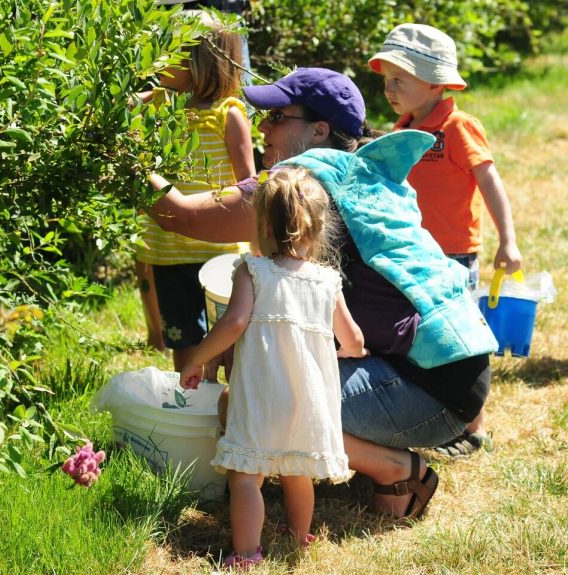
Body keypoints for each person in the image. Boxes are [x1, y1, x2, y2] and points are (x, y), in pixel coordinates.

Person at [145, 68, 497, 524]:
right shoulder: (365, 171)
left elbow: (182, 218)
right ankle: (368, 455)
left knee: (255, 400)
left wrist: (120, 158)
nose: (262, 128)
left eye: (276, 116)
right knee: (259, 375)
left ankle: (396, 467)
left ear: (319, 130)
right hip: (456, 378)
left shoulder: (303, 187)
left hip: (429, 392)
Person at [179, 167, 367, 568]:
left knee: (246, 475)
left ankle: (247, 554)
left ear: (262, 224)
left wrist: (196, 358)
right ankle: (301, 537)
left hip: (262, 394)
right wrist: (345, 351)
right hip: (307, 399)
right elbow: (353, 338)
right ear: (316, 228)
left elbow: (232, 324)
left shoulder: (254, 270)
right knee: (297, 471)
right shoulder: (326, 280)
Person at [368, 23, 522, 457]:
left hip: (453, 253)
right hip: (412, 251)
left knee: (460, 338)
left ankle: (473, 425)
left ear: (436, 82)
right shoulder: (402, 126)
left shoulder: (457, 126)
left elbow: (490, 182)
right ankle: (432, 414)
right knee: (423, 337)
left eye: (401, 79)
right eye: (386, 79)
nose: (390, 88)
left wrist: (507, 240)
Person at [134, 12, 255, 370]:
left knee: (228, 340)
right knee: (182, 339)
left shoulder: (227, 113)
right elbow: (116, 108)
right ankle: (186, 405)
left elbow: (248, 186)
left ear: (201, 60)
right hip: (168, 251)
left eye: (171, 50)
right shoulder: (158, 103)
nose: (161, 58)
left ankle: (225, 409)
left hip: (219, 252)